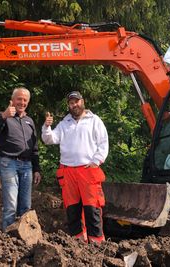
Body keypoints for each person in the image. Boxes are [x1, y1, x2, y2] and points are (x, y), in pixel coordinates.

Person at [41, 91, 109, 244]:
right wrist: (47, 126)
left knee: (92, 208)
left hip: (88, 171)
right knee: (72, 209)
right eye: (71, 103)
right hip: (68, 171)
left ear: (82, 102)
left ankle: (97, 243)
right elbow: (49, 139)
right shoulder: (64, 123)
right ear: (69, 105)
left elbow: (103, 142)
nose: (74, 105)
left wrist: (96, 160)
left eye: (76, 101)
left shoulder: (94, 120)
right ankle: (77, 243)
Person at [0, 87, 41, 231]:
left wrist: (37, 169)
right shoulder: (3, 116)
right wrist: (4, 116)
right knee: (10, 205)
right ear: (12, 100)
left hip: (27, 165)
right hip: (8, 163)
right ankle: (6, 240)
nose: (22, 102)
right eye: (19, 99)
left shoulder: (29, 121)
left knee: (25, 206)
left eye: (25, 100)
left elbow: (34, 147)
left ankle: (23, 239)